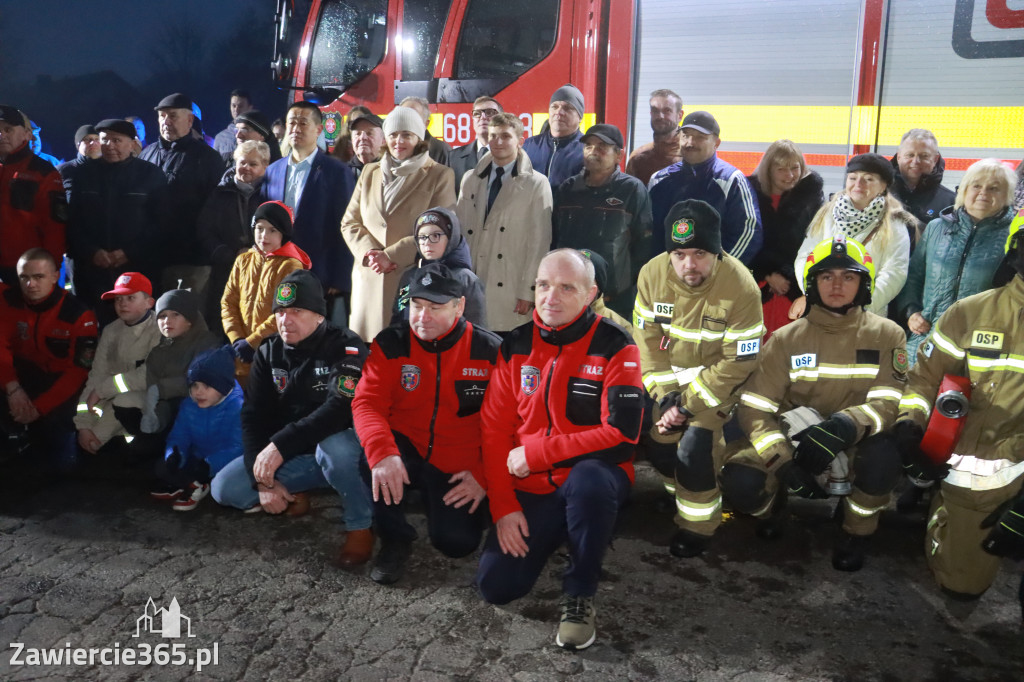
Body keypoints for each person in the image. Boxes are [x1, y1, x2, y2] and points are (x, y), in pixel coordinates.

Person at [476, 249, 644, 650]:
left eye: (567, 287)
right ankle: (561, 530)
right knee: (495, 588)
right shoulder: (514, 345)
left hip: (589, 479)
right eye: (543, 285)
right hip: (531, 487)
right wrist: (503, 507)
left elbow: (623, 431)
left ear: (590, 294)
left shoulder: (616, 344)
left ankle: (580, 593)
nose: (551, 296)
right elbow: (494, 431)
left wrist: (539, 454)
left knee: (590, 481)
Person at [731, 236, 907, 571]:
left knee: (883, 459)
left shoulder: (888, 335)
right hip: (795, 438)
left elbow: (890, 399)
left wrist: (845, 426)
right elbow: (754, 407)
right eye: (827, 277)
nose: (837, 285)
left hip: (857, 438)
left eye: (848, 276)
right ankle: (775, 506)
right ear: (813, 284)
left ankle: (855, 530)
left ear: (864, 284)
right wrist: (782, 461)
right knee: (741, 479)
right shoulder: (785, 338)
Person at [892, 215, 1024, 600]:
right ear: (1015, 253)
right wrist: (910, 426)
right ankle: (946, 512)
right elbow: (923, 379)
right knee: (961, 584)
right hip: (983, 473)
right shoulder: (970, 313)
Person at [211, 270, 375, 567]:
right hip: (296, 452)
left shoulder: (346, 346)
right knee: (225, 489)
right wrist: (262, 480)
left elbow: (339, 408)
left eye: (297, 311)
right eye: (281, 312)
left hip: (342, 447)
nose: (286, 320)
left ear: (319, 315)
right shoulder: (269, 352)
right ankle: (296, 489)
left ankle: (361, 525)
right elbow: (252, 416)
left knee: (334, 450)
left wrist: (278, 448)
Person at [632, 200, 764, 557]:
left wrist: (687, 406)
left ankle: (699, 526)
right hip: (670, 386)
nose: (688, 264)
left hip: (719, 387)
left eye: (700, 253)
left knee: (695, 448)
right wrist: (665, 396)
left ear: (718, 251)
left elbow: (740, 362)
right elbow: (646, 342)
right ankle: (686, 494)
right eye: (679, 254)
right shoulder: (651, 274)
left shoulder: (741, 286)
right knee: (657, 443)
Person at [354, 263, 500, 583]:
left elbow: (510, 424)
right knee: (370, 459)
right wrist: (382, 453)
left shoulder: (490, 351)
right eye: (417, 306)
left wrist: (483, 474)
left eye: (436, 307)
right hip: (405, 445)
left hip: (459, 459)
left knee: (456, 544)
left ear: (459, 306)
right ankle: (394, 537)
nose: (423, 316)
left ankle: (473, 509)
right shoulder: (391, 343)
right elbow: (366, 402)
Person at [341, 106, 456, 341]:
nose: (398, 141)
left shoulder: (439, 174)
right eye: (393, 135)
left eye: (407, 135)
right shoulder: (370, 172)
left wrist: (391, 255)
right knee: (367, 357)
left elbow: (437, 230)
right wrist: (370, 252)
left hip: (410, 281)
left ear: (419, 138)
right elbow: (350, 222)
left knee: (404, 358)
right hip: (368, 280)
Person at [897, 159, 1018, 363]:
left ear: (1006, 196)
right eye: (976, 186)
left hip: (981, 346)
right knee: (912, 392)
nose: (983, 193)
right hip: (927, 337)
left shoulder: (1015, 237)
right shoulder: (936, 228)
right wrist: (911, 311)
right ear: (963, 190)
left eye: (994, 188)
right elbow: (914, 275)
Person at [0, 249, 97, 468]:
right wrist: (12, 388)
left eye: (38, 277)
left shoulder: (78, 314)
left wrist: (39, 408)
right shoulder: (7, 301)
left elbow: (78, 372)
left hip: (62, 386)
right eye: (24, 277)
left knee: (60, 460)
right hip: (22, 377)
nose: (30, 284)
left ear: (55, 276)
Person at [66, 119, 168, 324]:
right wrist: (92, 252)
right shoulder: (84, 175)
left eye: (117, 140)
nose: (110, 146)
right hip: (93, 269)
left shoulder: (150, 174)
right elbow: (72, 220)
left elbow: (161, 223)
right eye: (105, 140)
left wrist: (128, 252)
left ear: (132, 143)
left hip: (137, 266)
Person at [262, 102, 356, 324]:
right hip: (279, 271)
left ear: (318, 129)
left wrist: (340, 277)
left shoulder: (336, 171)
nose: (296, 128)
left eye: (303, 123)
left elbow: (345, 224)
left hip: (319, 273)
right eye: (291, 123)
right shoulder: (273, 170)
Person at [457, 112, 551, 332]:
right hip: (473, 279)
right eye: (493, 136)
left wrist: (528, 291)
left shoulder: (537, 183)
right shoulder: (471, 178)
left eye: (506, 136)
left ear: (520, 141)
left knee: (506, 346)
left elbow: (540, 242)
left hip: (510, 282)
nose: (498, 142)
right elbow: (459, 234)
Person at [791, 153, 914, 319]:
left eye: (869, 179)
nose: (858, 184)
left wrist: (859, 307)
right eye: (852, 177)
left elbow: (894, 274)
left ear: (884, 185)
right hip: (822, 312)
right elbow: (805, 257)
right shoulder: (827, 214)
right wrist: (815, 296)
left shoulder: (893, 224)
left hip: (864, 317)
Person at [552, 123, 653, 318]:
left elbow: (644, 245)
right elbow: (555, 239)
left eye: (601, 146)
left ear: (618, 155)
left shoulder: (631, 189)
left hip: (615, 300)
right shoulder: (567, 189)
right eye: (588, 146)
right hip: (571, 293)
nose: (593, 151)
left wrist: (630, 289)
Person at [648, 111, 762, 265]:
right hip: (667, 279)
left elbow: (749, 234)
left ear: (716, 143)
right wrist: (661, 270)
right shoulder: (659, 180)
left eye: (700, 137)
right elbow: (649, 233)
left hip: (714, 281)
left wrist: (718, 269)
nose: (690, 142)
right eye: (685, 135)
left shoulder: (731, 180)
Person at [138, 93, 225, 295]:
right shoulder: (147, 153)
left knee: (187, 320)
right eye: (162, 116)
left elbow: (215, 210)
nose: (166, 121)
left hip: (190, 258)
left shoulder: (207, 159)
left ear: (190, 119)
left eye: (173, 116)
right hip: (151, 257)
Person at [221, 201, 311, 382]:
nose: (264, 235)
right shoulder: (243, 260)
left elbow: (285, 310)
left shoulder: (290, 266)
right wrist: (236, 338)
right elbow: (228, 302)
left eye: (273, 230)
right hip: (241, 351)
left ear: (283, 234)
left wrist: (253, 342)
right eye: (260, 228)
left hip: (275, 352)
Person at [74, 272, 161, 455]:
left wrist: (102, 390)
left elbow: (147, 375)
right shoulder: (111, 331)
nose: (122, 303)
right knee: (89, 437)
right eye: (118, 299)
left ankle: (143, 443)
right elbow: (97, 374)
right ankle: (121, 436)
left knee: (122, 405)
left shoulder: (159, 329)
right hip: (111, 396)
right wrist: (83, 425)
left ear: (149, 303)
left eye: (131, 298)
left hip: (146, 397)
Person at [746, 140, 825, 336]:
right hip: (755, 287)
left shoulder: (811, 200)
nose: (789, 175)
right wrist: (767, 274)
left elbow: (816, 245)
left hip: (794, 290)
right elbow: (743, 242)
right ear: (768, 169)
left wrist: (788, 277)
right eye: (781, 169)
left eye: (794, 168)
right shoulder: (748, 195)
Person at [155, 347, 243, 511]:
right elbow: (179, 435)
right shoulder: (189, 405)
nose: (198, 392)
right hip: (199, 458)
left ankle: (195, 484)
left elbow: (238, 448)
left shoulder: (237, 407)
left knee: (226, 475)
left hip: (222, 462)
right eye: (194, 385)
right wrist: (174, 454)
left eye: (207, 386)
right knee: (162, 466)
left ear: (223, 386)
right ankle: (194, 484)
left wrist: (209, 464)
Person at [198, 140, 271, 334]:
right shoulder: (220, 192)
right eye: (242, 162)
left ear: (265, 166)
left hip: (263, 271)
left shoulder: (271, 193)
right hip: (226, 271)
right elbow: (205, 230)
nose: (246, 168)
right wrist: (229, 254)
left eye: (253, 164)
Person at [0, 105, 66, 285]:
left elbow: (55, 227)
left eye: (8, 129)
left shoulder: (43, 172)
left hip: (28, 270)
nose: (2, 135)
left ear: (26, 133)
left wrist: (49, 267)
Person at [140, 289, 218, 438]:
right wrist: (154, 418)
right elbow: (153, 388)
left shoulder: (207, 343)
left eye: (175, 314)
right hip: (168, 417)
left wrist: (162, 388)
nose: (167, 321)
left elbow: (200, 382)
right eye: (162, 316)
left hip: (201, 415)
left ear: (189, 320)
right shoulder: (157, 352)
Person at [391, 208, 486, 328]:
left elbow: (476, 327)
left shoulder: (466, 279)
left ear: (452, 237)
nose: (427, 243)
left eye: (435, 235)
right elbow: (399, 315)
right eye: (422, 237)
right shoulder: (409, 276)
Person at [522, 84, 585, 189]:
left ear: (580, 117)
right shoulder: (528, 146)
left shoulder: (587, 151)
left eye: (567, 108)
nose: (559, 112)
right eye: (554, 107)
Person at [889, 129, 956, 228]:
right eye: (910, 155)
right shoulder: (879, 193)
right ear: (899, 157)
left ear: (935, 159)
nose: (916, 161)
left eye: (924, 156)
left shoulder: (950, 203)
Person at [625, 89, 684, 185]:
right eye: (655, 110)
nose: (660, 116)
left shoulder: (692, 154)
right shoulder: (638, 158)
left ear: (680, 115)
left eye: (667, 111)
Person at [448, 96, 502, 194]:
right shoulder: (453, 158)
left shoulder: (513, 156)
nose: (483, 117)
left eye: (489, 112)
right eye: (477, 114)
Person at [399, 96, 451, 165]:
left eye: (414, 117)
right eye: (404, 116)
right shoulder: (392, 147)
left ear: (426, 123)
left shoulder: (442, 150)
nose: (408, 121)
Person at [57, 124, 101, 194]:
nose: (93, 142)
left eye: (97, 139)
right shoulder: (64, 170)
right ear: (78, 145)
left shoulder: (110, 169)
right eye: (87, 139)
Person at [345, 109, 384, 180]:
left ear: (383, 140)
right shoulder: (341, 173)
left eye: (369, 133)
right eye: (358, 134)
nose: (362, 137)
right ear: (352, 140)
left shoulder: (392, 172)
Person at [213, 89, 254, 157]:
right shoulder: (220, 138)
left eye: (240, 106)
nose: (236, 110)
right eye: (233, 106)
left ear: (250, 108)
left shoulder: (257, 135)